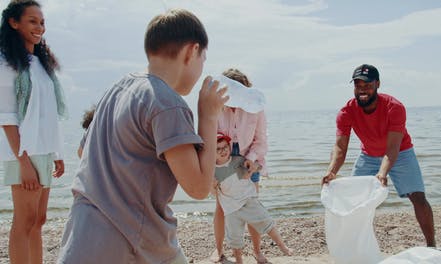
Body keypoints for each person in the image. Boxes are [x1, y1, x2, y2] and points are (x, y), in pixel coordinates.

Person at [57, 9, 228, 264]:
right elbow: (199, 187)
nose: (202, 66)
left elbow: (84, 152)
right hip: (133, 241)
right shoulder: (168, 103)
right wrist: (208, 117)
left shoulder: (118, 88)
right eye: (203, 58)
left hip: (82, 234)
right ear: (192, 51)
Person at [322, 64, 436, 247]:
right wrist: (332, 171)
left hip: (401, 152)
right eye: (358, 86)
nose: (362, 90)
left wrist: (382, 174)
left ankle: (432, 246)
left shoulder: (394, 107)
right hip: (368, 155)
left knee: (418, 198)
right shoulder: (346, 112)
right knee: (356, 202)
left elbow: (392, 148)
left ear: (377, 84)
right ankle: (357, 247)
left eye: (367, 85)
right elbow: (340, 147)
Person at [0, 1, 67, 263]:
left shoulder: (40, 63)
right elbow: (6, 118)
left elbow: (49, 113)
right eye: (32, 21)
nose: (39, 27)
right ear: (14, 23)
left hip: (44, 148)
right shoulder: (6, 62)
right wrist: (23, 161)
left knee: (38, 220)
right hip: (24, 151)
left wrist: (57, 152)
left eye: (41, 22)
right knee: (24, 220)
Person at [211, 68, 268, 263]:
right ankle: (218, 251)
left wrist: (251, 160)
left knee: (251, 205)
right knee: (221, 207)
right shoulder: (216, 106)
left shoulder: (256, 107)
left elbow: (261, 141)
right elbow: (208, 140)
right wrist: (211, 171)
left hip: (249, 162)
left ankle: (257, 251)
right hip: (222, 162)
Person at [213, 133, 291, 263]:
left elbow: (258, 167)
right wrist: (212, 185)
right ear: (212, 152)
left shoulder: (237, 161)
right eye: (218, 149)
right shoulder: (213, 171)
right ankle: (239, 260)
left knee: (266, 222)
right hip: (231, 209)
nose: (223, 151)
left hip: (248, 201)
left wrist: (254, 168)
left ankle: (283, 246)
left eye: (225, 147)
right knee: (235, 238)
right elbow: (212, 192)